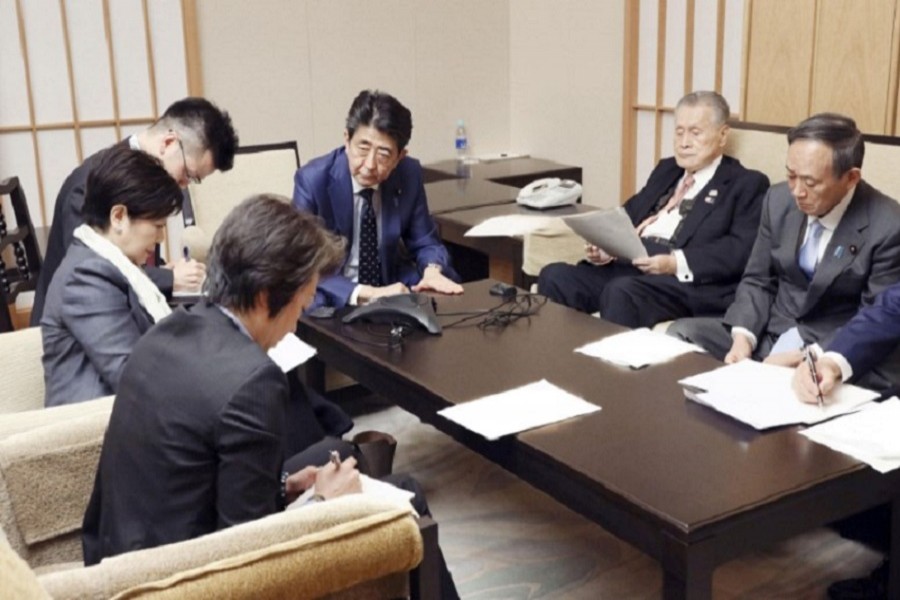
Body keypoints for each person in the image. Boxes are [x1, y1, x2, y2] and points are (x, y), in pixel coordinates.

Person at [82, 195, 459, 597]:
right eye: (302, 302)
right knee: (405, 494)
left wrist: (285, 488)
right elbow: (250, 560)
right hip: (176, 580)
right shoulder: (253, 383)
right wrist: (321, 503)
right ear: (265, 298)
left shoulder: (168, 331)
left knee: (333, 451)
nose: (298, 319)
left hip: (116, 556)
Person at [669, 113, 900, 366]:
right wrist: (743, 337)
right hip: (769, 329)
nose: (797, 192)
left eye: (811, 182)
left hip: (827, 347)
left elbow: (874, 318)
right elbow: (758, 278)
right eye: (791, 175)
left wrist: (811, 356)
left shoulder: (887, 225)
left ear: (851, 178)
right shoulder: (778, 200)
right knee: (681, 335)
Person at [538, 91, 769, 328]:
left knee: (622, 292)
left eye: (695, 133)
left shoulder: (746, 183)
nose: (684, 142)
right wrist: (607, 246)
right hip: (633, 266)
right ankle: (562, 360)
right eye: (679, 132)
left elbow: (738, 250)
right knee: (555, 276)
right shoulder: (667, 169)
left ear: (722, 135)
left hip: (681, 281)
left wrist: (673, 262)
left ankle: (605, 365)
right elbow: (628, 214)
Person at [30, 97, 239, 325]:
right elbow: (91, 271)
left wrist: (159, 271)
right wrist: (169, 277)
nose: (183, 186)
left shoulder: (144, 177)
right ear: (168, 142)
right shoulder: (91, 183)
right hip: (78, 325)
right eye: (187, 174)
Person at [293, 89, 463, 309]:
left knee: (444, 288)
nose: (370, 164)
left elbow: (425, 241)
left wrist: (432, 270)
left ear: (400, 156)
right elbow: (302, 265)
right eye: (363, 148)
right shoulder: (313, 180)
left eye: (383, 155)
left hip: (389, 282)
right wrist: (367, 293)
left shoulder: (408, 173)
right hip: (333, 288)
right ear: (347, 139)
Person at [41, 146, 183, 407]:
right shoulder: (86, 276)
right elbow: (130, 375)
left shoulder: (106, 263)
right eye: (158, 226)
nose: (161, 238)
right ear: (118, 216)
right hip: (90, 429)